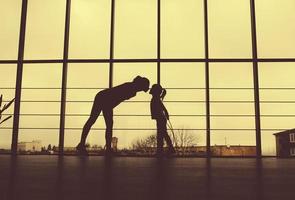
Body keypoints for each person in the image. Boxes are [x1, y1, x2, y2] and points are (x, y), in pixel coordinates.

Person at [77, 76, 150, 155]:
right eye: (142, 89)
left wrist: (109, 108)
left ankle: (84, 144)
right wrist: (109, 108)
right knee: (99, 122)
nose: (141, 91)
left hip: (103, 97)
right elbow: (117, 98)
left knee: (95, 121)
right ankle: (106, 148)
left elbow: (117, 99)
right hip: (104, 99)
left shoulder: (132, 89)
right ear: (140, 85)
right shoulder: (130, 89)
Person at [149, 84, 175, 156]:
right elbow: (164, 109)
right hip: (161, 118)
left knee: (161, 134)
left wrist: (166, 114)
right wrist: (166, 115)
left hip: (160, 118)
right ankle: (169, 149)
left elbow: (164, 109)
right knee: (163, 134)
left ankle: (162, 150)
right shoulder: (157, 98)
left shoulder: (156, 98)